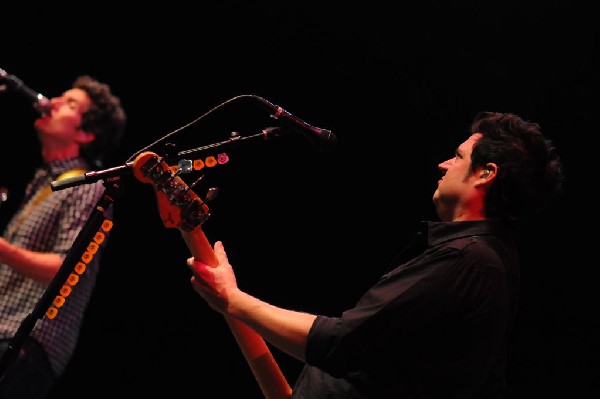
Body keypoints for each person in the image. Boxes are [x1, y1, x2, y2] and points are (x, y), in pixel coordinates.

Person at [185, 111, 564, 398]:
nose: (443, 164)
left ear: (485, 174)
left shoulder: (470, 260)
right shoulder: (482, 258)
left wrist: (234, 300)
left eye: (458, 157)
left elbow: (339, 343)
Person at [0, 75, 126, 398]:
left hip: (27, 344)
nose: (52, 102)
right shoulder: (44, 179)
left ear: (85, 133)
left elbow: (63, 269)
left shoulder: (88, 187)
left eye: (69, 104)